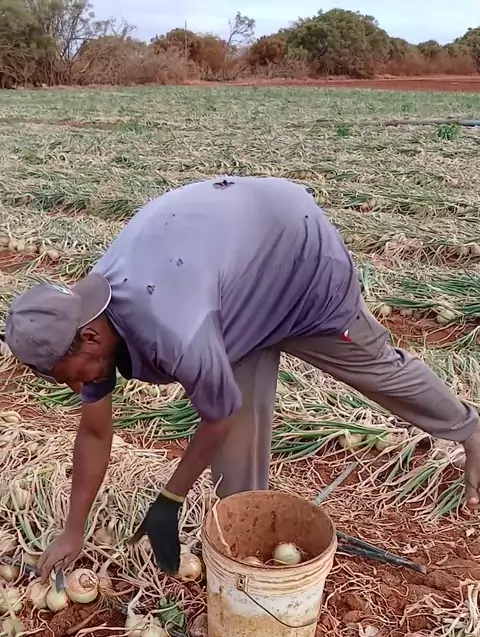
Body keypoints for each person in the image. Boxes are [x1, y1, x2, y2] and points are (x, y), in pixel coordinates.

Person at [5, 176, 480, 579]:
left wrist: (170, 498)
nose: (78, 387)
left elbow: (218, 417)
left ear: (89, 337)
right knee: (236, 441)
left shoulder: (174, 329)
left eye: (71, 377)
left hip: (295, 253)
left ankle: (470, 430)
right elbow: (94, 431)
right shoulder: (86, 319)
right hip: (230, 281)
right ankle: (245, 544)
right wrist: (73, 530)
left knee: (374, 367)